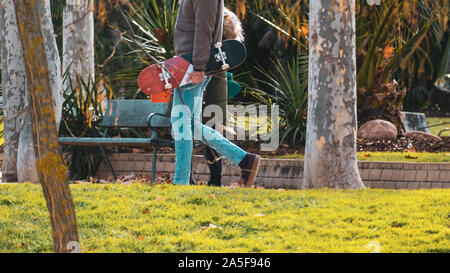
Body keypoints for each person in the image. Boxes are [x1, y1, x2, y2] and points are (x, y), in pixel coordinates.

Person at [172, 0, 260, 187]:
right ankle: (245, 160)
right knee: (192, 125)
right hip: (186, 64)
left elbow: (204, 30)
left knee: (181, 121)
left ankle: (180, 181)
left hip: (191, 66)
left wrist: (198, 67)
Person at [201, 7, 244, 187]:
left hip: (211, 79)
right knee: (211, 130)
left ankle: (216, 178)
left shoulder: (217, 15)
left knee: (209, 131)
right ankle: (215, 178)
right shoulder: (223, 16)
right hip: (215, 79)